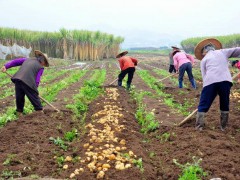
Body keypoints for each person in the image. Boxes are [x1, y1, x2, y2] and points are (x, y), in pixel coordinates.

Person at [194, 38, 240, 131]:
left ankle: (199, 127)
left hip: (210, 81)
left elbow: (204, 76)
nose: (202, 55)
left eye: (202, 53)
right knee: (224, 103)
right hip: (225, 81)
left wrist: (206, 90)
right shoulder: (223, 52)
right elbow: (237, 50)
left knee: (203, 103)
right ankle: (223, 127)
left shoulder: (204, 60)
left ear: (205, 52)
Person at [1, 50, 49, 116]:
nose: (44, 64)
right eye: (44, 63)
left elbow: (15, 62)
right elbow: (37, 81)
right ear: (43, 61)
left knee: (19, 98)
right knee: (35, 99)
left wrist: (6, 66)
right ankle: (40, 112)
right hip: (28, 82)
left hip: (18, 79)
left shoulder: (27, 59)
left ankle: (19, 113)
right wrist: (34, 90)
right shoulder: (41, 67)